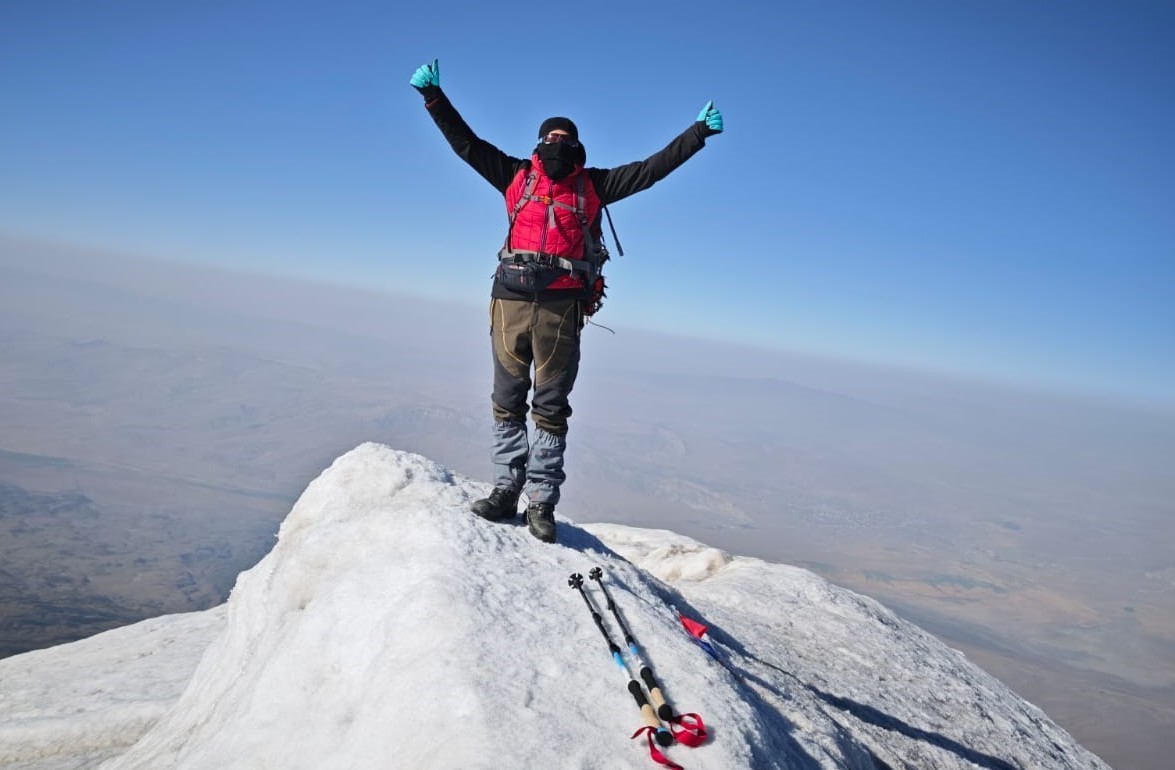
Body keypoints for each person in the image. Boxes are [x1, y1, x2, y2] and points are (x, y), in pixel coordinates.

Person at [409, 58, 723, 543]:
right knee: (506, 401)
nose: (557, 143)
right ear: (538, 143)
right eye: (550, 137)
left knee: (550, 408)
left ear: (578, 146)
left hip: (560, 311)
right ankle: (504, 492)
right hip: (509, 303)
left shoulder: (594, 186)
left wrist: (696, 133)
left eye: (564, 138)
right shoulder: (515, 175)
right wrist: (434, 98)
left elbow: (650, 170)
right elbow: (465, 144)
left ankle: (540, 504)